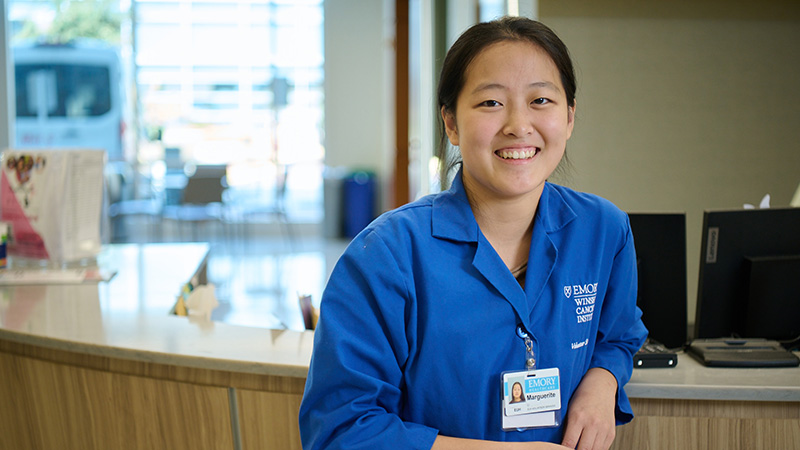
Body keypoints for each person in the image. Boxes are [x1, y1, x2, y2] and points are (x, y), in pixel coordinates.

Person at [299, 16, 647, 450]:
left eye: (541, 100)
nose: (519, 125)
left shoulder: (603, 230)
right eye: (490, 103)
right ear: (450, 123)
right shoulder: (386, 255)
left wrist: (602, 381)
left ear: (570, 116)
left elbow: (619, 334)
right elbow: (340, 430)